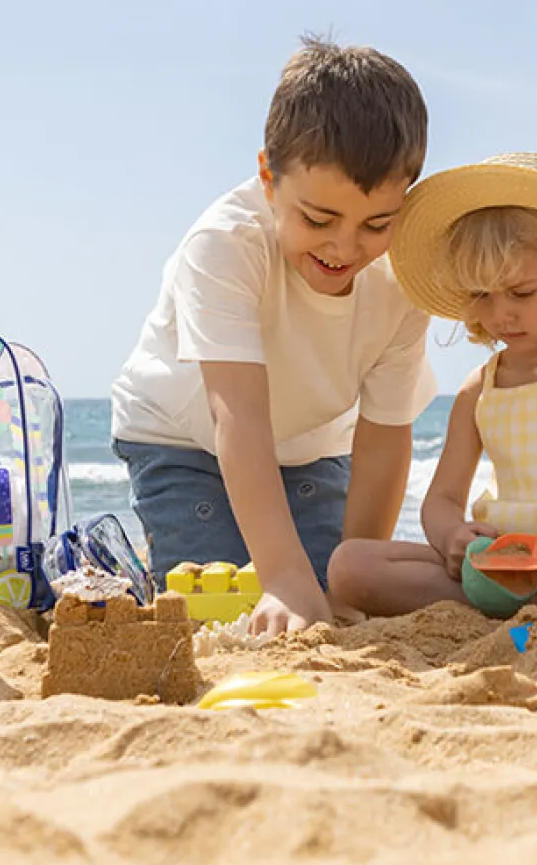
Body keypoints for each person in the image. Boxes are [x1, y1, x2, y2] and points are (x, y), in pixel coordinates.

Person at [111, 35, 437, 639]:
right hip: (184, 440)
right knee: (222, 598)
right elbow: (237, 411)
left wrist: (348, 573)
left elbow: (385, 437)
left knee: (329, 587)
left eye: (377, 224)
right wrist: (282, 576)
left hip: (312, 448)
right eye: (318, 219)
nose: (344, 247)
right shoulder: (225, 245)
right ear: (268, 176)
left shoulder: (403, 278)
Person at [328, 152, 537, 633]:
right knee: (350, 566)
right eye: (480, 296)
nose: (499, 316)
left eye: (521, 293)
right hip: (507, 577)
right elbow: (443, 500)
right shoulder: (482, 389)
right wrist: (451, 535)